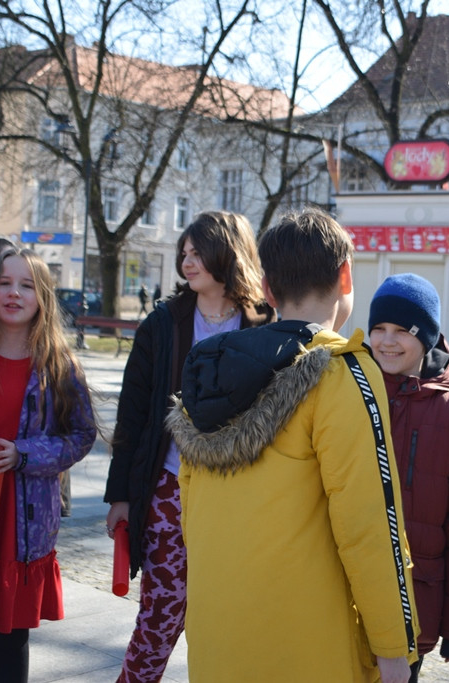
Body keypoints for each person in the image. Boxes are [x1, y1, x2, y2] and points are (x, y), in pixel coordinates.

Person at [166, 208, 420, 683]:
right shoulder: (342, 373)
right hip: (310, 646)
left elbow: (190, 514)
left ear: (267, 288)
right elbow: (369, 522)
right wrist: (393, 647)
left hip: (218, 639)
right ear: (345, 275)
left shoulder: (211, 374)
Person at [103, 211, 274, 683]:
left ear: (227, 252)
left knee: (230, 616)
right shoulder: (163, 323)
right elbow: (133, 416)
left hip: (240, 496)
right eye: (184, 252)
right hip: (169, 488)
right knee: (161, 614)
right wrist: (121, 495)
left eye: (198, 252)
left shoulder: (264, 323)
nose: (187, 260)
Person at [0, 248, 97, 683]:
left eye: (26, 285)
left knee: (11, 636)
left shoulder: (58, 364)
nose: (14, 293)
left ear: (42, 296)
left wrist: (25, 454)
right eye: (4, 282)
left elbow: (81, 435)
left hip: (23, 524)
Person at [367, 273, 449, 682]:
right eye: (378, 328)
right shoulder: (350, 392)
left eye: (402, 330)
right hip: (345, 598)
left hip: (413, 605)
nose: (386, 341)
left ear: (429, 337)